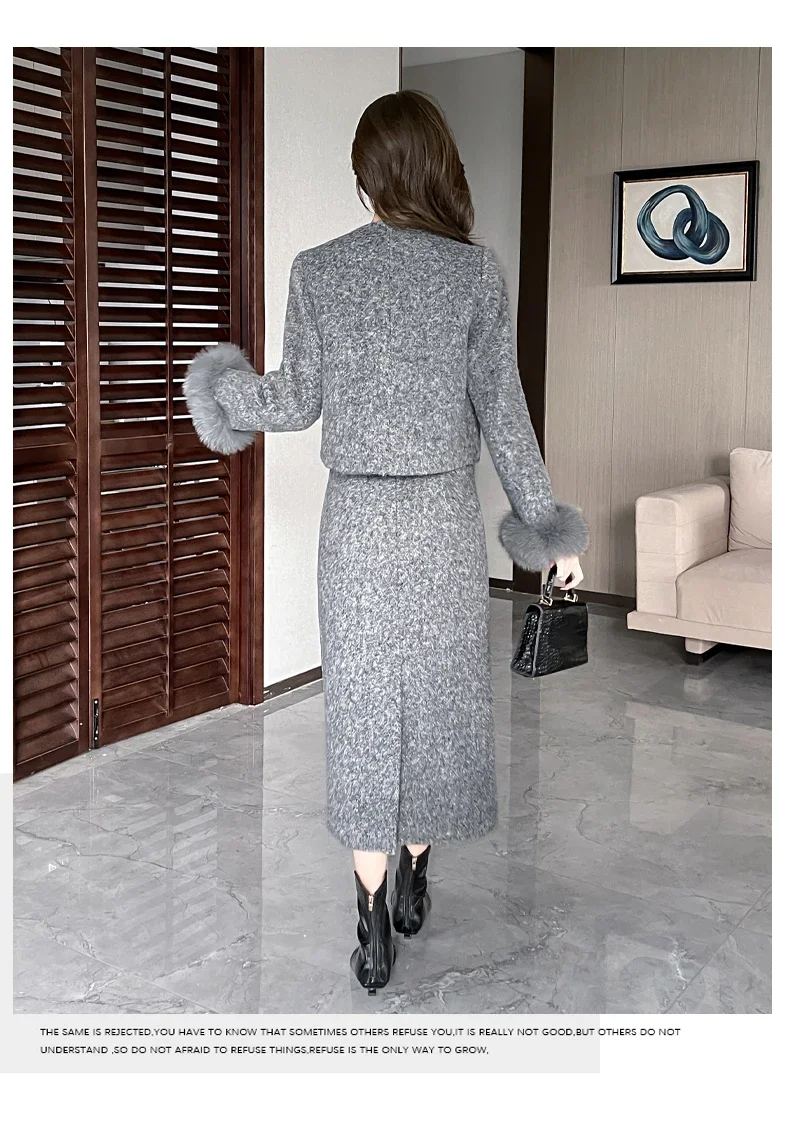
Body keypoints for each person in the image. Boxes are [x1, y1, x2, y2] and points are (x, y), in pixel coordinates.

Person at [184, 89, 588, 994]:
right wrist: (549, 531)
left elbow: (293, 400)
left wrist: (217, 389)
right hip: (443, 526)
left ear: (368, 178)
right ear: (438, 168)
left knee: (365, 715)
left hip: (357, 530)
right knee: (439, 707)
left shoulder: (320, 270)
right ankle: (415, 881)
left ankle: (370, 923)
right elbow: (505, 412)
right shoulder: (474, 274)